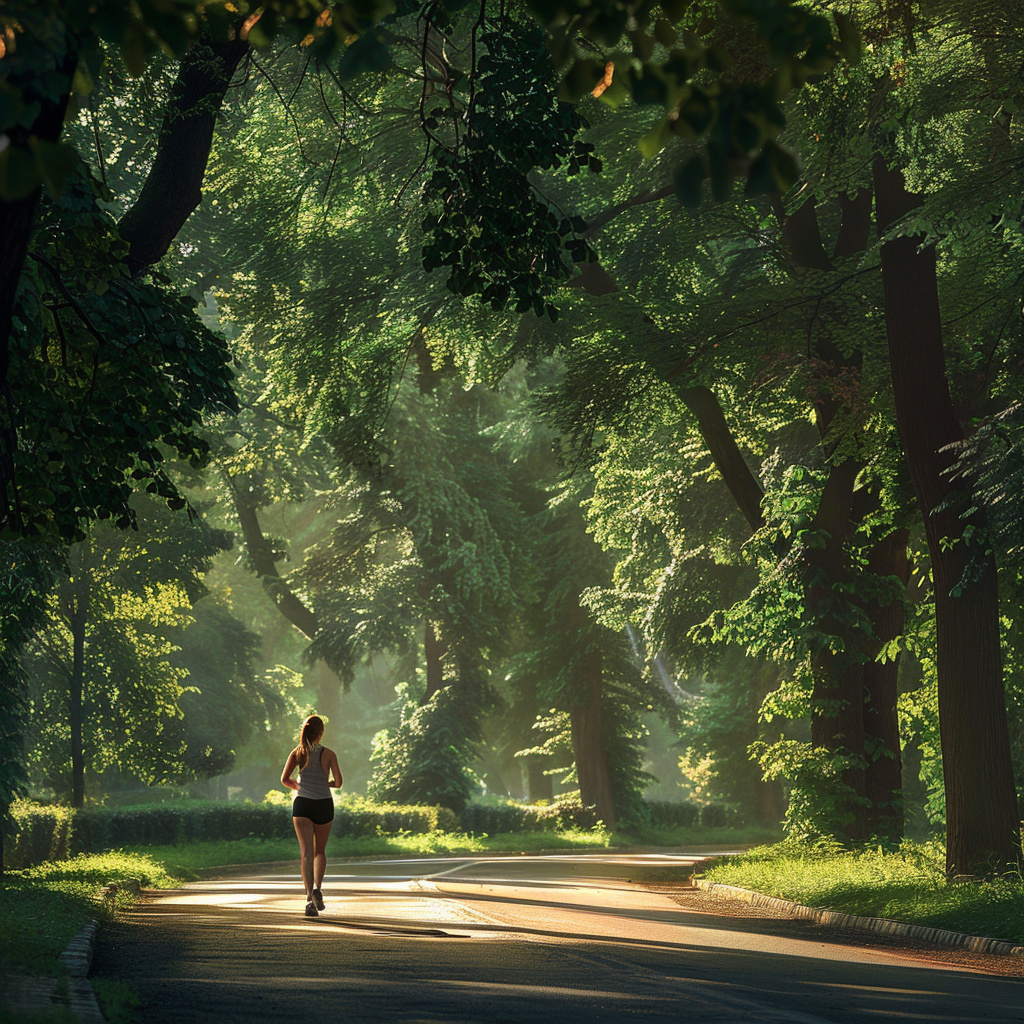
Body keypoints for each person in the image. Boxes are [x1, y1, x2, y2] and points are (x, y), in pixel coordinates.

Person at [280, 714, 343, 917]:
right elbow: (339, 783)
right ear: (321, 732)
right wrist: (325, 784)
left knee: (306, 853)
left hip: (303, 805)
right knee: (320, 852)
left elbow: (284, 779)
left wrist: (299, 786)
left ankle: (308, 899)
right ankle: (317, 888)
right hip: (324, 804)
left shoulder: (298, 752)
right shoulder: (330, 754)